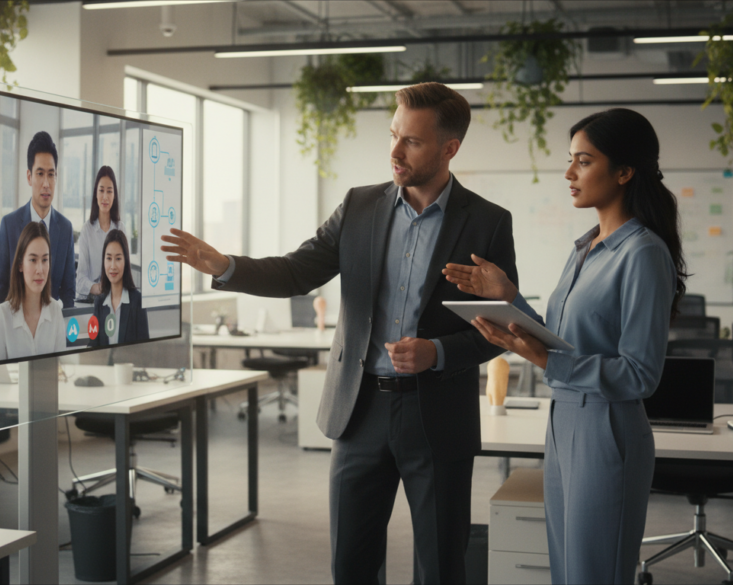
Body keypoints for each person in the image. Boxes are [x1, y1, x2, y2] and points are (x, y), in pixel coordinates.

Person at [162, 82, 518, 584]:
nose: (395, 151)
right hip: (360, 411)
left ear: (449, 148)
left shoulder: (486, 222)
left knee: (441, 566)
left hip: (436, 416)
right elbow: (295, 272)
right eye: (393, 135)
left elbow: (499, 330)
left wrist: (436, 352)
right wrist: (225, 266)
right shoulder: (360, 206)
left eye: (411, 141)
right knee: (350, 565)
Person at [444, 108, 686, 584]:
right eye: (570, 159)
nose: (569, 173)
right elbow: (561, 341)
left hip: (607, 429)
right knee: (568, 571)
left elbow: (640, 374)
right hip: (564, 422)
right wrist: (508, 298)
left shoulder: (643, 254)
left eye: (584, 161)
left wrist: (545, 358)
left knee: (593, 573)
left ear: (624, 172)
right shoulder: (587, 246)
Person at [0, 131, 76, 317]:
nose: (46, 183)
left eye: (51, 175)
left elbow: (68, 294)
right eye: (40, 174)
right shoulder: (9, 225)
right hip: (16, 336)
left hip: (52, 337)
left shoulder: (66, 228)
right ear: (29, 177)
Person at [0, 222, 69, 361]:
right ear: (20, 265)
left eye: (45, 260)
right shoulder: (3, 314)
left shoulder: (55, 311)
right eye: (33, 260)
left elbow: (60, 369)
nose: (40, 269)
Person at [76, 166, 127, 299]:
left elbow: (126, 272)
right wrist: (98, 288)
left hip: (116, 300)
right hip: (93, 303)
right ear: (95, 194)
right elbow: (80, 280)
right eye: (101, 191)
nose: (105, 197)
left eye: (109, 191)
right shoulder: (87, 230)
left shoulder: (120, 229)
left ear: (114, 195)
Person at [91, 229, 148, 346]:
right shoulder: (99, 303)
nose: (112, 266)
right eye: (108, 258)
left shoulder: (137, 301)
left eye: (118, 259)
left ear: (125, 261)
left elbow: (144, 350)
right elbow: (93, 344)